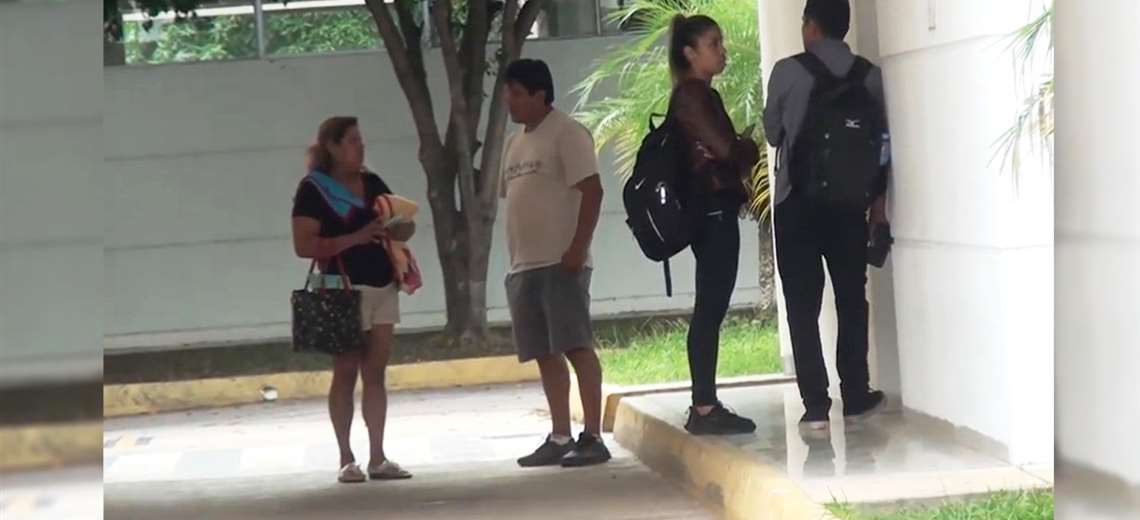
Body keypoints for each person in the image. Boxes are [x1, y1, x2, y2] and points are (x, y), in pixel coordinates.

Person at [762, 0, 889, 431]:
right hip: (851, 207)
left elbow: (772, 132)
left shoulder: (786, 71)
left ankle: (815, 404)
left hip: (796, 205)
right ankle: (856, 394)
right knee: (851, 298)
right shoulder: (868, 76)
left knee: (802, 304)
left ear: (810, 26)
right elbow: (882, 145)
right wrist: (878, 207)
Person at [291, 116, 416, 483]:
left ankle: (378, 456)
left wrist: (401, 227)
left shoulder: (372, 183)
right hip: (342, 290)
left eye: (361, 140)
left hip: (382, 284)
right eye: (352, 141)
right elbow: (303, 245)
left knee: (375, 372)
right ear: (331, 146)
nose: (360, 147)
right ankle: (347, 457)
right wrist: (356, 237)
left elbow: (395, 221)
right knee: (345, 372)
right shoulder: (314, 190)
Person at [500, 59, 611, 467]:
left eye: (515, 93)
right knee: (544, 352)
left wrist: (577, 248)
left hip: (561, 260)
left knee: (575, 345)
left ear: (539, 94)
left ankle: (594, 435)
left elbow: (593, 191)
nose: (509, 101)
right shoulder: (514, 144)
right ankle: (560, 434)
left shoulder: (567, 133)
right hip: (523, 264)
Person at [667, 14, 762, 435]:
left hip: (711, 208)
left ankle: (704, 402)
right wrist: (747, 146)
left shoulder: (699, 94)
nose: (722, 51)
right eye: (713, 44)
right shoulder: (692, 96)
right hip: (711, 209)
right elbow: (727, 150)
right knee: (710, 308)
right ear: (690, 53)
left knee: (711, 305)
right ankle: (703, 407)